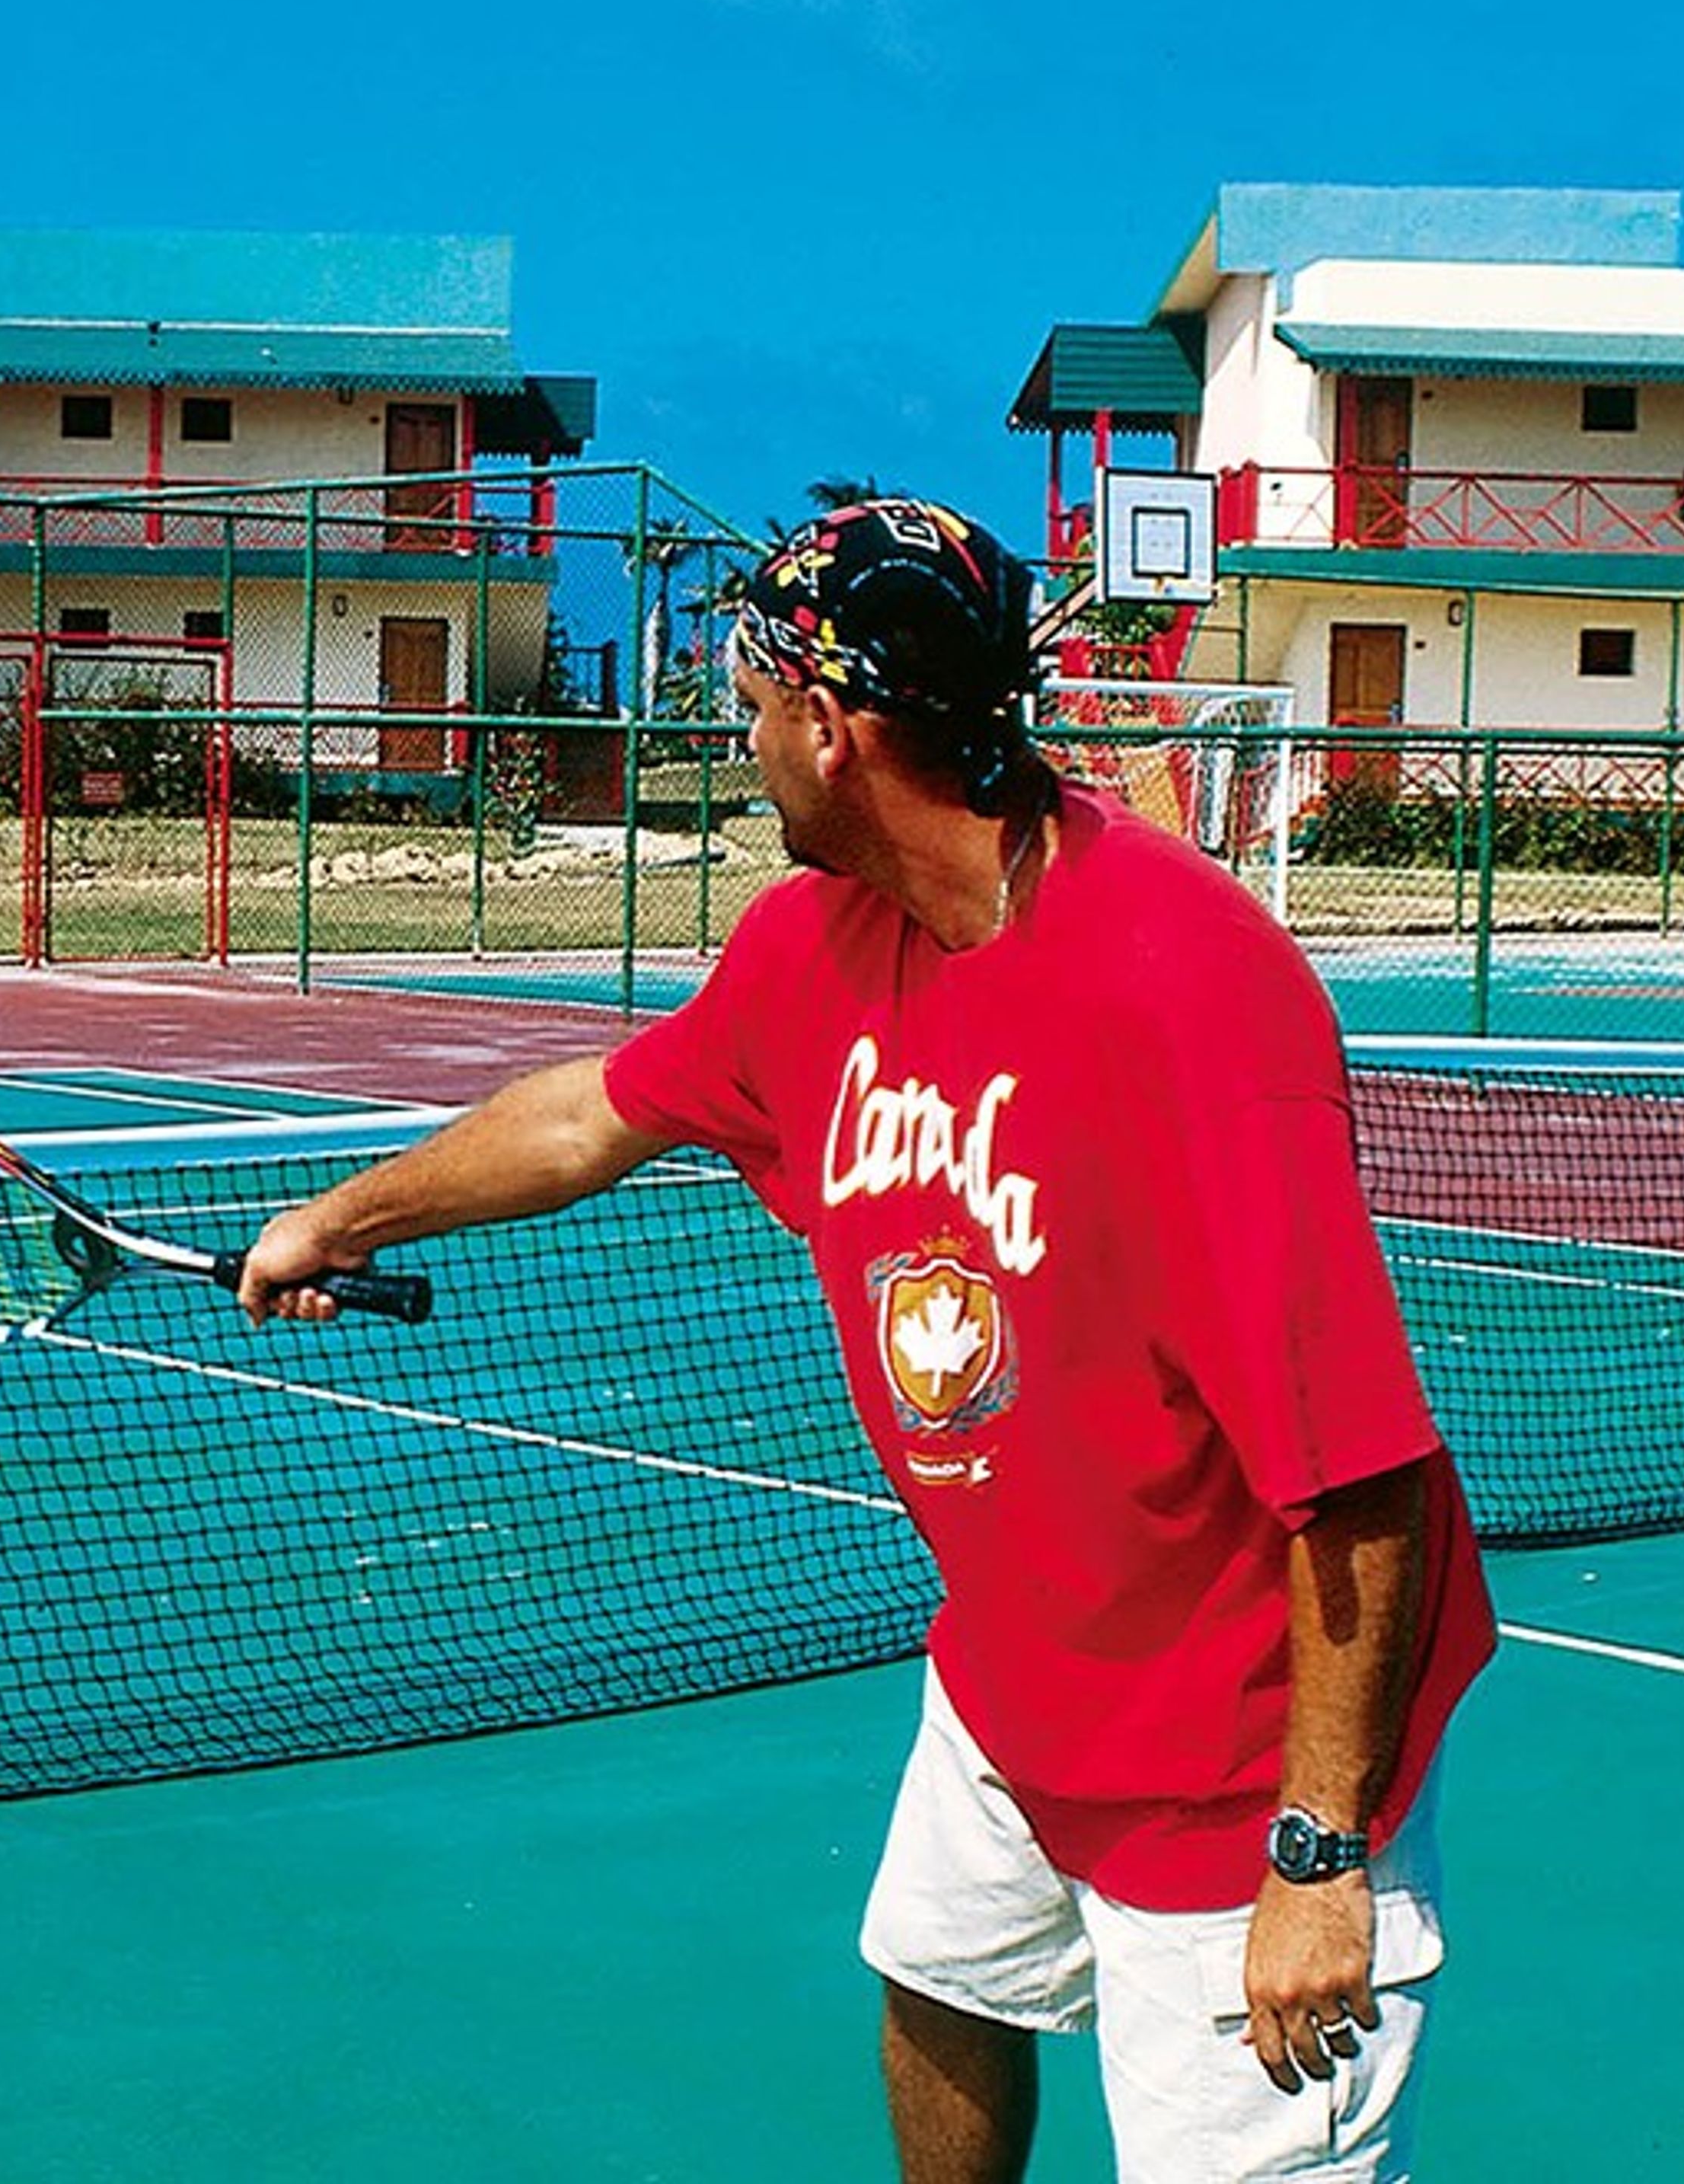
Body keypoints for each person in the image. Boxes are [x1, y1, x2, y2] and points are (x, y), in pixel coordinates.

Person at [240, 499, 1494, 2182]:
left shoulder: (1190, 995)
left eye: (752, 706)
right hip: (1019, 1671)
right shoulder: (814, 949)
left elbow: (1365, 1480)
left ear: (829, 728)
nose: (742, 743)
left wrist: (1319, 1855)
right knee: (940, 1979)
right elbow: (596, 1115)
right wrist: (346, 1216)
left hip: (1240, 1747)